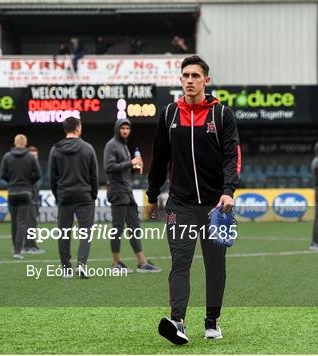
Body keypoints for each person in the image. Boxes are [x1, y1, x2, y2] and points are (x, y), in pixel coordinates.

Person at [147, 55, 241, 344]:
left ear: (206, 80)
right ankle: (178, 322)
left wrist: (228, 191)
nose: (190, 80)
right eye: (185, 75)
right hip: (180, 204)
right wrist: (152, 194)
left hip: (216, 207)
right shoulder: (169, 115)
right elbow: (159, 157)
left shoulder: (221, 115)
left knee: (215, 265)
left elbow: (231, 156)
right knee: (181, 262)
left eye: (195, 76)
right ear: (180, 80)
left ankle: (212, 320)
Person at [104, 118, 161, 273]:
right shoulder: (111, 145)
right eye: (122, 128)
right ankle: (115, 264)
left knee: (135, 227)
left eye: (127, 128)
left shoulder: (123, 146)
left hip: (127, 192)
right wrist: (131, 163)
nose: (125, 131)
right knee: (117, 228)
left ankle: (142, 262)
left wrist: (135, 166)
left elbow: (123, 169)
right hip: (117, 192)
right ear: (117, 129)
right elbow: (108, 167)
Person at [49, 117, 98, 279]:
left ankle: (66, 269)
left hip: (65, 197)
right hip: (85, 197)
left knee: (64, 234)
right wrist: (93, 195)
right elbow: (94, 176)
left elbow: (52, 177)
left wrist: (58, 196)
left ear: (65, 129)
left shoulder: (55, 149)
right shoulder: (88, 148)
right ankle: (82, 265)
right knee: (85, 233)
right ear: (77, 128)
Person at [0, 135, 42, 259]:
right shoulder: (30, 157)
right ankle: (18, 251)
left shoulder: (7, 156)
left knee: (14, 221)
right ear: (25, 143)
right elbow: (38, 174)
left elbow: (2, 175)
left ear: (14, 142)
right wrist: (29, 182)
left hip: (12, 192)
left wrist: (11, 181)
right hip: (26, 192)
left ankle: (15, 248)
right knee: (22, 222)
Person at [22, 146, 45, 254]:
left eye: (36, 155)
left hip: (35, 198)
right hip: (29, 199)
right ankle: (28, 246)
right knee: (29, 223)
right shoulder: (28, 168)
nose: (34, 157)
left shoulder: (36, 167)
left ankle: (31, 244)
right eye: (32, 155)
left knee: (32, 223)